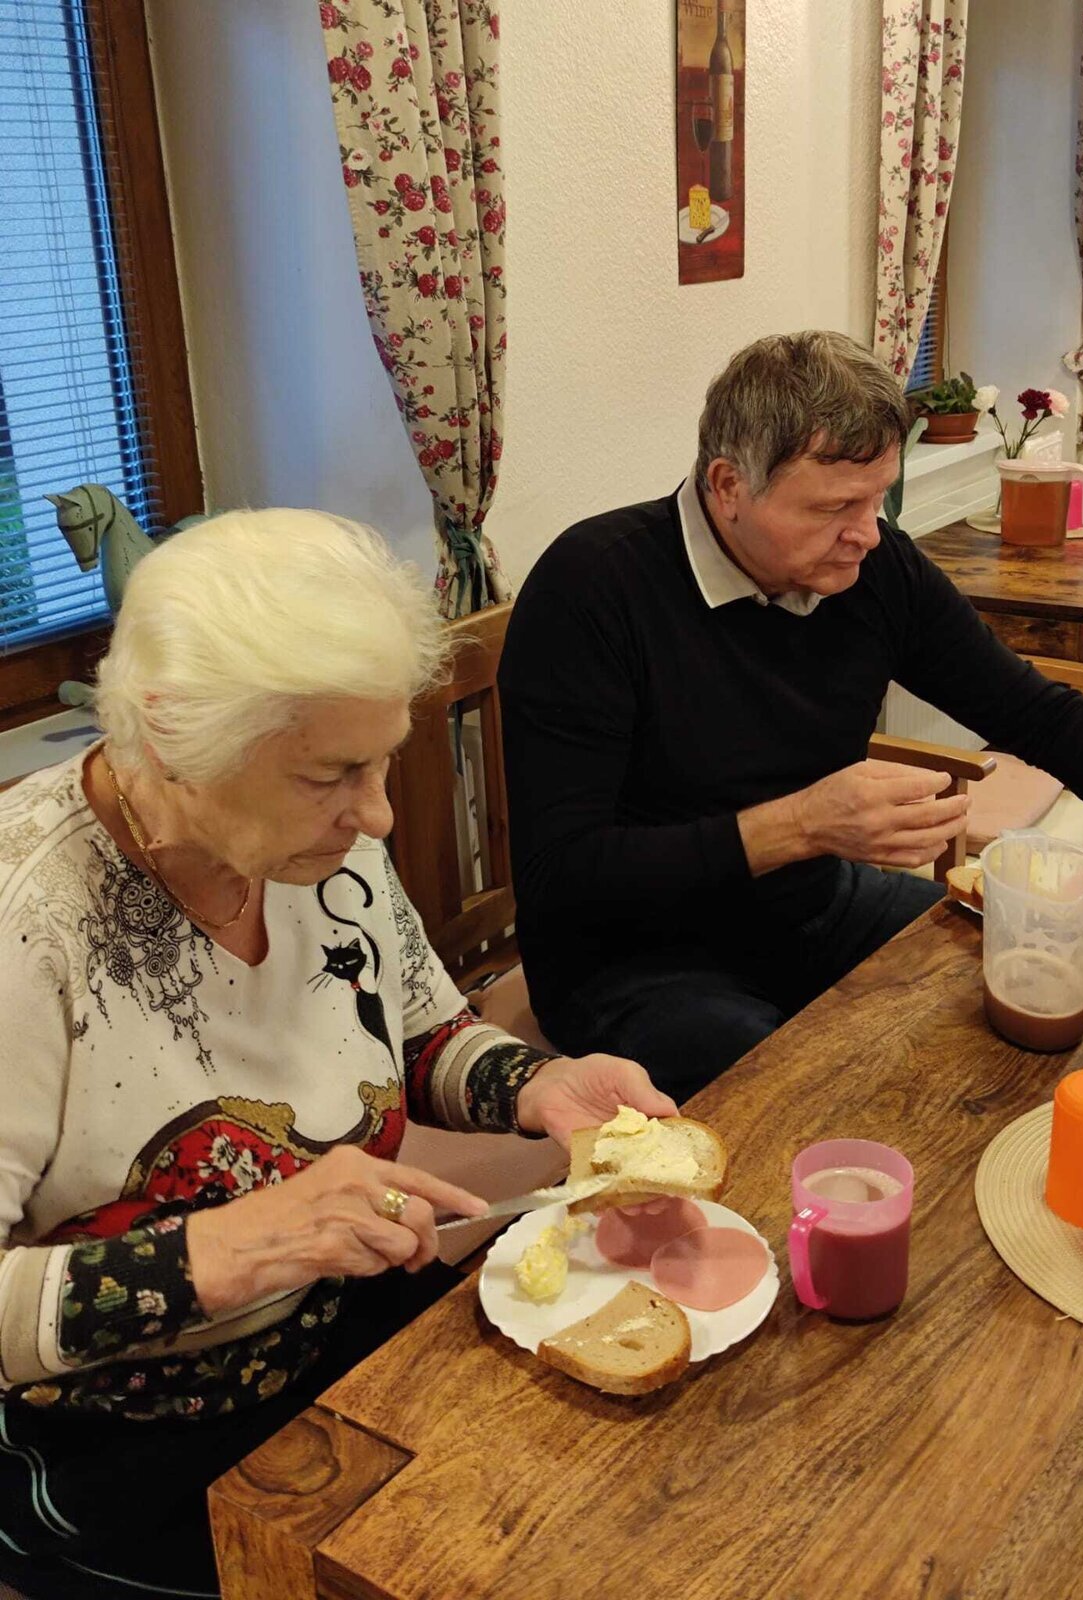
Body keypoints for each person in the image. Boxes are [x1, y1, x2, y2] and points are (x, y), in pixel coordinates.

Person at [0, 509, 676, 1600]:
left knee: (590, 1512)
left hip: (349, 1320)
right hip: (126, 1439)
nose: (377, 815)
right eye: (331, 774)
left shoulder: (317, 851)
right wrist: (221, 1251)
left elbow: (415, 1037)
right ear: (170, 739)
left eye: (382, 763)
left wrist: (538, 1084)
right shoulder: (25, 930)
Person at [499, 331, 1083, 1100]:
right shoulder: (593, 588)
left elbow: (1034, 713)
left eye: (877, 498)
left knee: (1025, 967)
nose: (866, 533)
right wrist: (800, 826)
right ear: (728, 486)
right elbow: (561, 875)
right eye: (833, 506)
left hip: (809, 904)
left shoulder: (872, 566)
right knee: (802, 1089)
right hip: (630, 959)